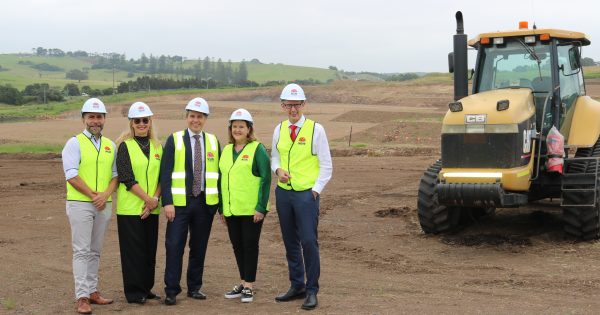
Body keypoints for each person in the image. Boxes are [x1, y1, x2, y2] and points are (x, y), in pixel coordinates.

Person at [272, 84, 332, 310]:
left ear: (304, 104)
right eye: (289, 105)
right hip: (284, 194)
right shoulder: (279, 129)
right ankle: (296, 285)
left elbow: (326, 165)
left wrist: (315, 190)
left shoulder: (317, 130)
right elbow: (274, 158)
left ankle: (312, 289)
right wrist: (277, 171)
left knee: (308, 241)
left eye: (297, 104)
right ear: (283, 105)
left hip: (306, 195)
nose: (293, 109)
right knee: (290, 242)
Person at [160, 97, 221, 306]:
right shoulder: (174, 139)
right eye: (192, 116)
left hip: (204, 204)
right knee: (174, 245)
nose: (196, 120)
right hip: (179, 204)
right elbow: (165, 173)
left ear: (205, 119)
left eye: (200, 116)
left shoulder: (213, 141)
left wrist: (218, 206)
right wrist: (167, 202)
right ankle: (171, 290)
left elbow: (218, 175)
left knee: (199, 247)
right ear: (186, 117)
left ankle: (194, 287)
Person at [61, 98, 118, 314]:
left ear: (104, 119)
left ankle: (93, 291)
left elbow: (115, 176)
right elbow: (71, 175)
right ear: (84, 118)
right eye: (91, 117)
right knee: (81, 251)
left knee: (95, 251)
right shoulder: (74, 143)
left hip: (103, 204)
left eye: (99, 117)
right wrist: (94, 195)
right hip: (80, 204)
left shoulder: (110, 145)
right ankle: (82, 296)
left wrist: (104, 195)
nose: (95, 120)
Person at [219, 109, 271, 303]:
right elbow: (221, 180)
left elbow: (266, 180)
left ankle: (249, 285)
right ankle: (242, 281)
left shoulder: (257, 149)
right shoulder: (225, 150)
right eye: (234, 126)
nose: (237, 130)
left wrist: (261, 207)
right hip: (231, 210)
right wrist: (222, 208)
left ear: (249, 129)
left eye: (242, 126)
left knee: (250, 246)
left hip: (251, 210)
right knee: (237, 246)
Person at [115, 102, 162, 304]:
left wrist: (155, 200)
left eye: (145, 120)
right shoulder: (124, 146)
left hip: (153, 208)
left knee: (149, 251)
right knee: (133, 252)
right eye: (138, 121)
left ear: (150, 122)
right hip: (130, 209)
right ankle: (134, 293)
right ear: (131, 123)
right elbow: (126, 177)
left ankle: (146, 287)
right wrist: (147, 200)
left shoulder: (158, 147)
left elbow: (162, 177)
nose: (142, 124)